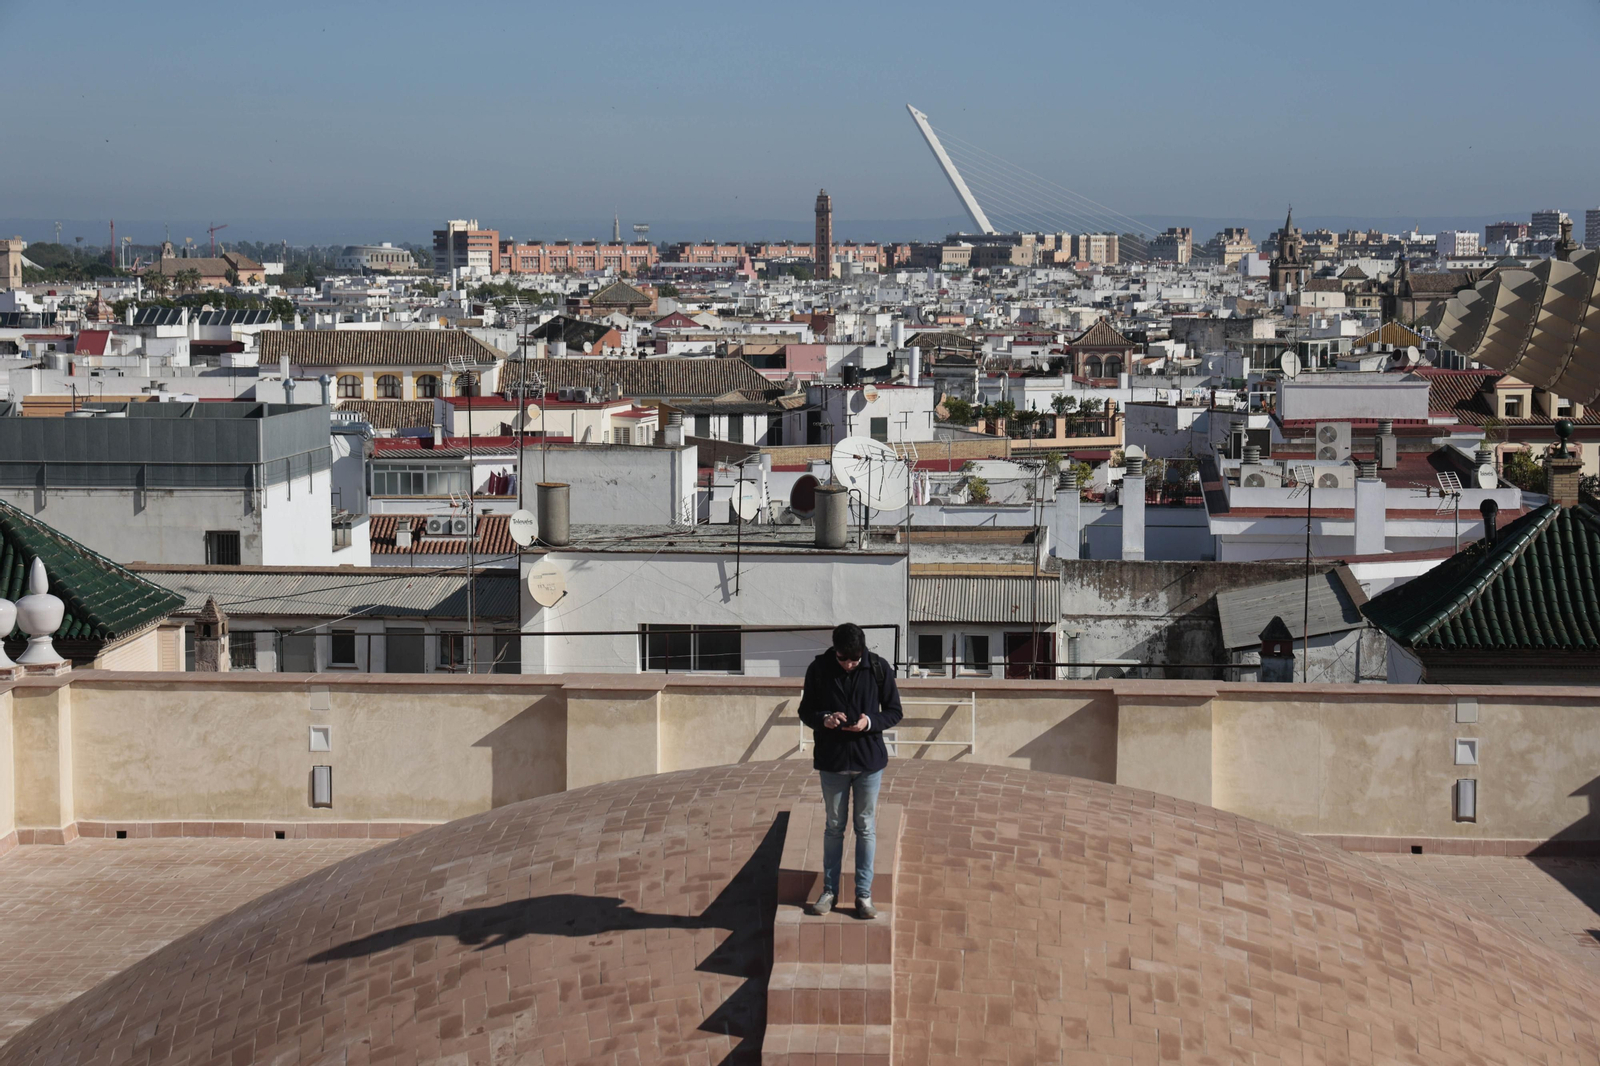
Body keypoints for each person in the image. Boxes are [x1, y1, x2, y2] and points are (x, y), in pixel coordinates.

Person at [796, 622, 903, 919]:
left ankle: (863, 895)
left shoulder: (879, 668)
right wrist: (825, 718)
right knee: (833, 827)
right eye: (843, 659)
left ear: (862, 651)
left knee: (865, 827)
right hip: (832, 763)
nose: (849, 664)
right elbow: (805, 711)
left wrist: (869, 722)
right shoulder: (818, 668)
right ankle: (829, 890)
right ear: (835, 650)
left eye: (854, 659)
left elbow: (894, 711)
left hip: (868, 763)